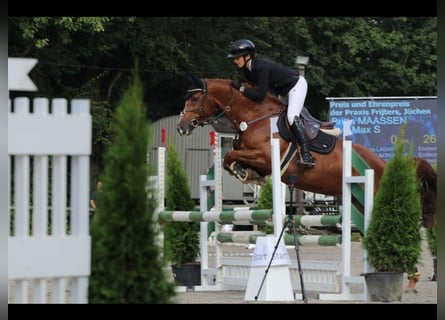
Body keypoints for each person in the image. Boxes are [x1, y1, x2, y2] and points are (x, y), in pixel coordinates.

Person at [227, 39, 315, 168]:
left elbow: (260, 96)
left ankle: (307, 154)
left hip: (296, 86)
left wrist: (241, 89)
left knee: (291, 117)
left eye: (237, 58)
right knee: (275, 116)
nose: (235, 61)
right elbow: (255, 89)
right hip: (284, 92)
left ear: (247, 56)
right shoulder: (247, 70)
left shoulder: (261, 67)